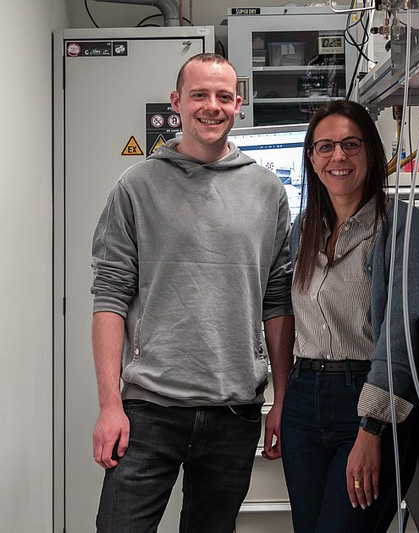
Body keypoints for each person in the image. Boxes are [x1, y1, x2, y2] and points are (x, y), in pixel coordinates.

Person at [90, 53, 294, 532]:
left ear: (238, 105)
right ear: (176, 101)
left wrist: (280, 401)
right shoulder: (136, 186)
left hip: (234, 411)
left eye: (223, 96)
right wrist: (109, 405)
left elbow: (277, 300)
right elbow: (110, 297)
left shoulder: (267, 192)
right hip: (149, 410)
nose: (212, 106)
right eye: (199, 94)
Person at [279, 99, 419, 532]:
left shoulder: (403, 225)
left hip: (366, 402)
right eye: (325, 147)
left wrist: (371, 428)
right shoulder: (305, 228)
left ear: (371, 152)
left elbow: (400, 328)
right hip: (302, 403)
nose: (338, 157)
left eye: (351, 144)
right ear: (311, 159)